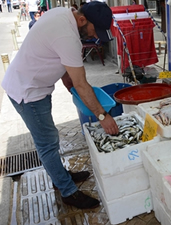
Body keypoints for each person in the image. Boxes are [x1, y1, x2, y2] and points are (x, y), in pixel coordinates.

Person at [1, 1, 118, 209]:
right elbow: (82, 84)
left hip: (33, 84)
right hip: (28, 92)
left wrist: (64, 76)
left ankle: (60, 175)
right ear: (82, 20)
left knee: (50, 140)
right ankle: (68, 191)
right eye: (93, 31)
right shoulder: (69, 37)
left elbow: (55, 52)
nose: (94, 37)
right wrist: (103, 116)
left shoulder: (62, 14)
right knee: (47, 143)